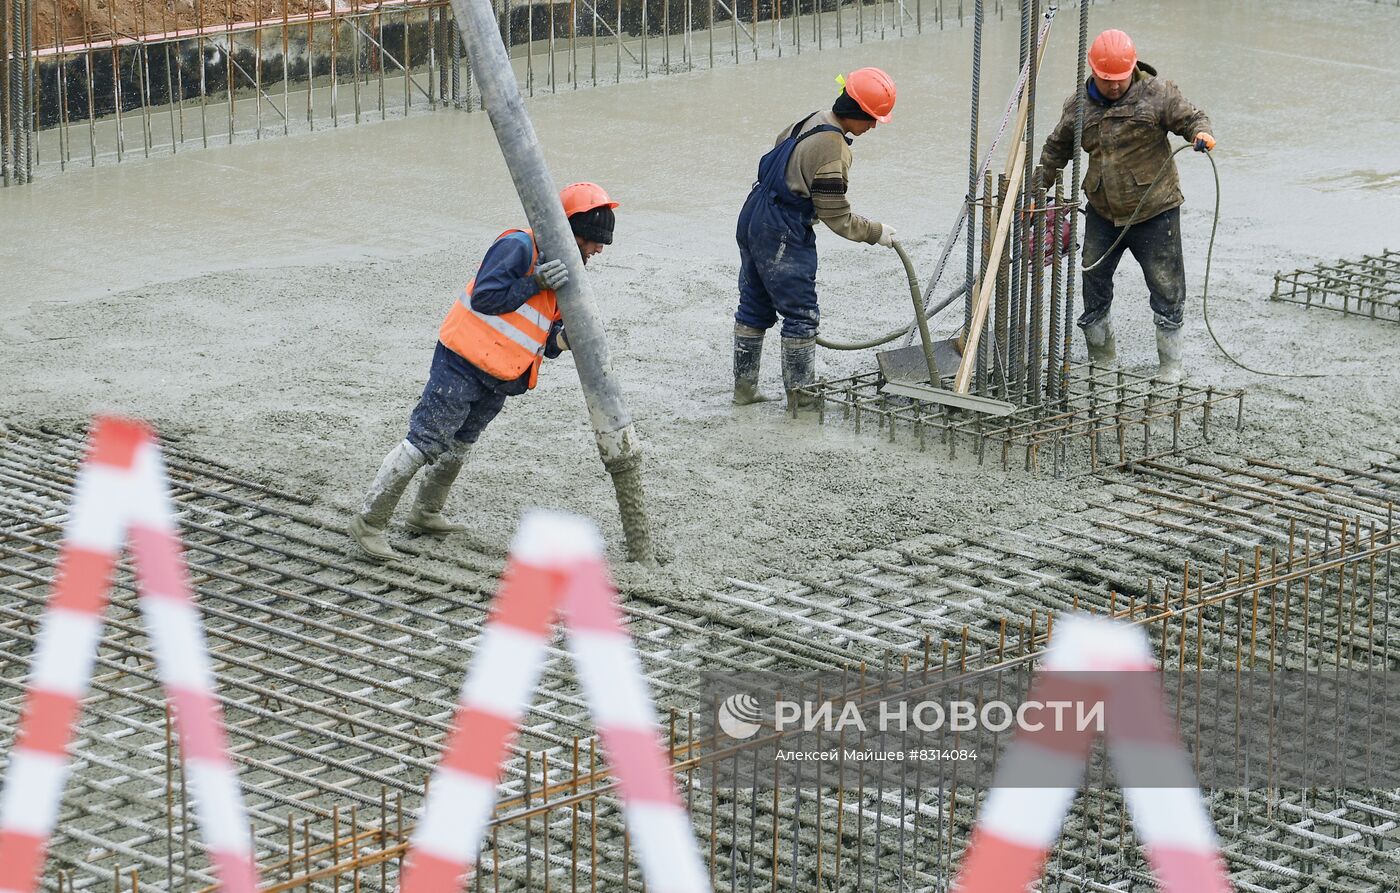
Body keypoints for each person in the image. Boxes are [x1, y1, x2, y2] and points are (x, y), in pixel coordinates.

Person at [348, 182, 619, 561]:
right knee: (426, 440)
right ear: (569, 229)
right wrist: (534, 281)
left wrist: (564, 340)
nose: (599, 249)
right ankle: (370, 523)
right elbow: (486, 298)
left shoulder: (565, 272)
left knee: (460, 444)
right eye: (593, 239)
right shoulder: (520, 247)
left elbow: (541, 330)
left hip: (502, 375)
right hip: (461, 362)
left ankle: (425, 512)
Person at [1033, 29, 1215, 383]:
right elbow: (1055, 151)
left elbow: (1192, 118)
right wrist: (1035, 190)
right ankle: (1103, 360)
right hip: (1103, 213)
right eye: (1106, 80)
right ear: (1094, 73)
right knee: (1093, 280)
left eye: (1119, 80)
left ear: (1132, 69)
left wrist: (1200, 133)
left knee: (1167, 286)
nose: (1114, 87)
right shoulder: (1078, 107)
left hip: (1155, 211)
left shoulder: (1158, 95)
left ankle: (1170, 365)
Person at [733, 67, 899, 408]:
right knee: (801, 314)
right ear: (859, 113)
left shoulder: (813, 119)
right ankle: (802, 400)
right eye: (871, 121)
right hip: (782, 230)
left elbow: (779, 152)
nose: (871, 128)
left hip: (754, 213)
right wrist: (875, 232)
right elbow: (836, 216)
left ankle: (744, 391)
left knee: (755, 303)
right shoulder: (833, 147)